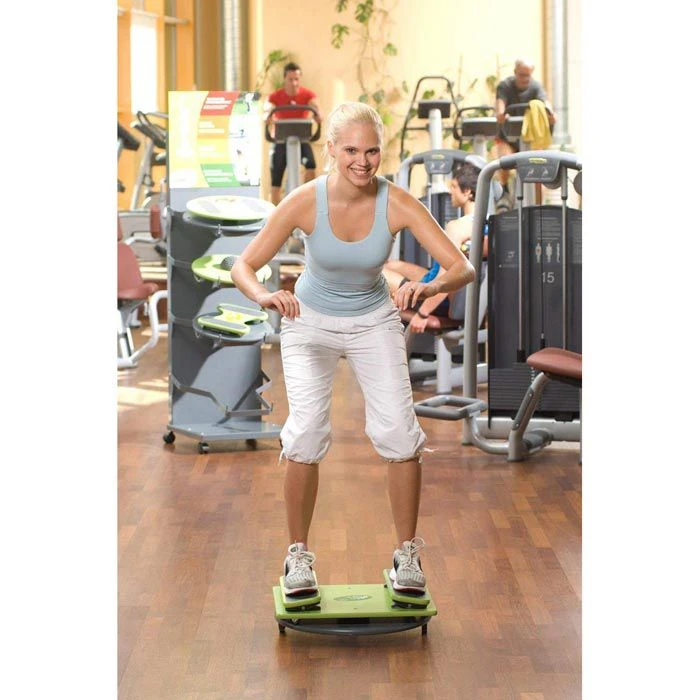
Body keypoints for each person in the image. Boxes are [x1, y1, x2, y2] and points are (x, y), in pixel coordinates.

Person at [231, 102, 475, 598]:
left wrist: (428, 288)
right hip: (309, 321)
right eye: (350, 151)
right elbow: (243, 265)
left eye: (371, 151)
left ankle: (407, 554)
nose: (362, 162)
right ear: (330, 150)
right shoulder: (305, 200)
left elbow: (461, 267)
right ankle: (297, 557)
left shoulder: (397, 202)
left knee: (399, 432)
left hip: (373, 321)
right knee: (305, 433)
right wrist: (264, 296)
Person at [383, 161, 483, 334]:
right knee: (392, 265)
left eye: (454, 187)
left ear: (467, 192)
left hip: (435, 297)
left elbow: (447, 277)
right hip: (440, 284)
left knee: (375, 273)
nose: (450, 191)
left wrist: (422, 314)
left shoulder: (457, 227)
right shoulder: (484, 222)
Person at [493, 58, 557, 210]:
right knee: (505, 160)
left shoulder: (535, 87)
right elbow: (500, 105)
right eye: (522, 75)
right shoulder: (505, 86)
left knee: (539, 171)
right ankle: (504, 192)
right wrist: (501, 114)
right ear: (515, 72)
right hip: (509, 137)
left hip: (530, 138)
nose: (525, 79)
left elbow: (545, 103)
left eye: (528, 76)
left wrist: (551, 114)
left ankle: (538, 208)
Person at [266, 62, 323, 205]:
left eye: (296, 79)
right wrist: (267, 116)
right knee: (276, 178)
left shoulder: (307, 94)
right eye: (290, 79)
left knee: (311, 166)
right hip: (280, 140)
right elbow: (268, 109)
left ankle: (307, 203)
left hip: (301, 140)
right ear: (284, 79)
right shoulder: (275, 96)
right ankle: (276, 211)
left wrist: (318, 114)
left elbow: (316, 107)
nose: (294, 83)